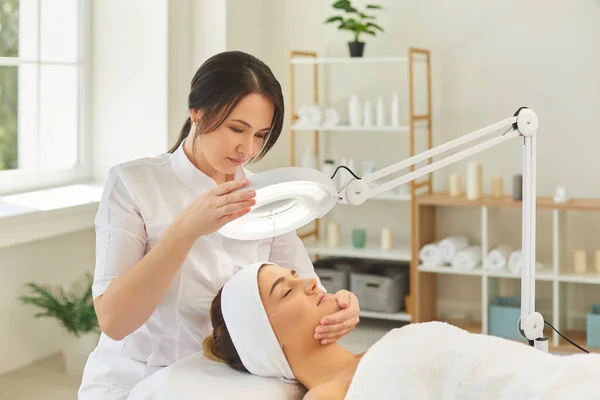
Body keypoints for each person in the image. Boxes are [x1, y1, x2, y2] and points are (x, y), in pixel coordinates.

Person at [78, 51, 361, 399]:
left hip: (224, 378)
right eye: (236, 129)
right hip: (136, 376)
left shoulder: (262, 195)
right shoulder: (134, 183)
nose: (247, 148)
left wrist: (341, 308)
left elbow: (307, 291)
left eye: (261, 134)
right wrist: (186, 229)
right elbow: (115, 322)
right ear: (197, 112)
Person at [204, 262, 600, 400]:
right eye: (285, 290)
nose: (310, 282)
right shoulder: (329, 395)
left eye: (296, 275)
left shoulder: (378, 351)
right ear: (269, 341)